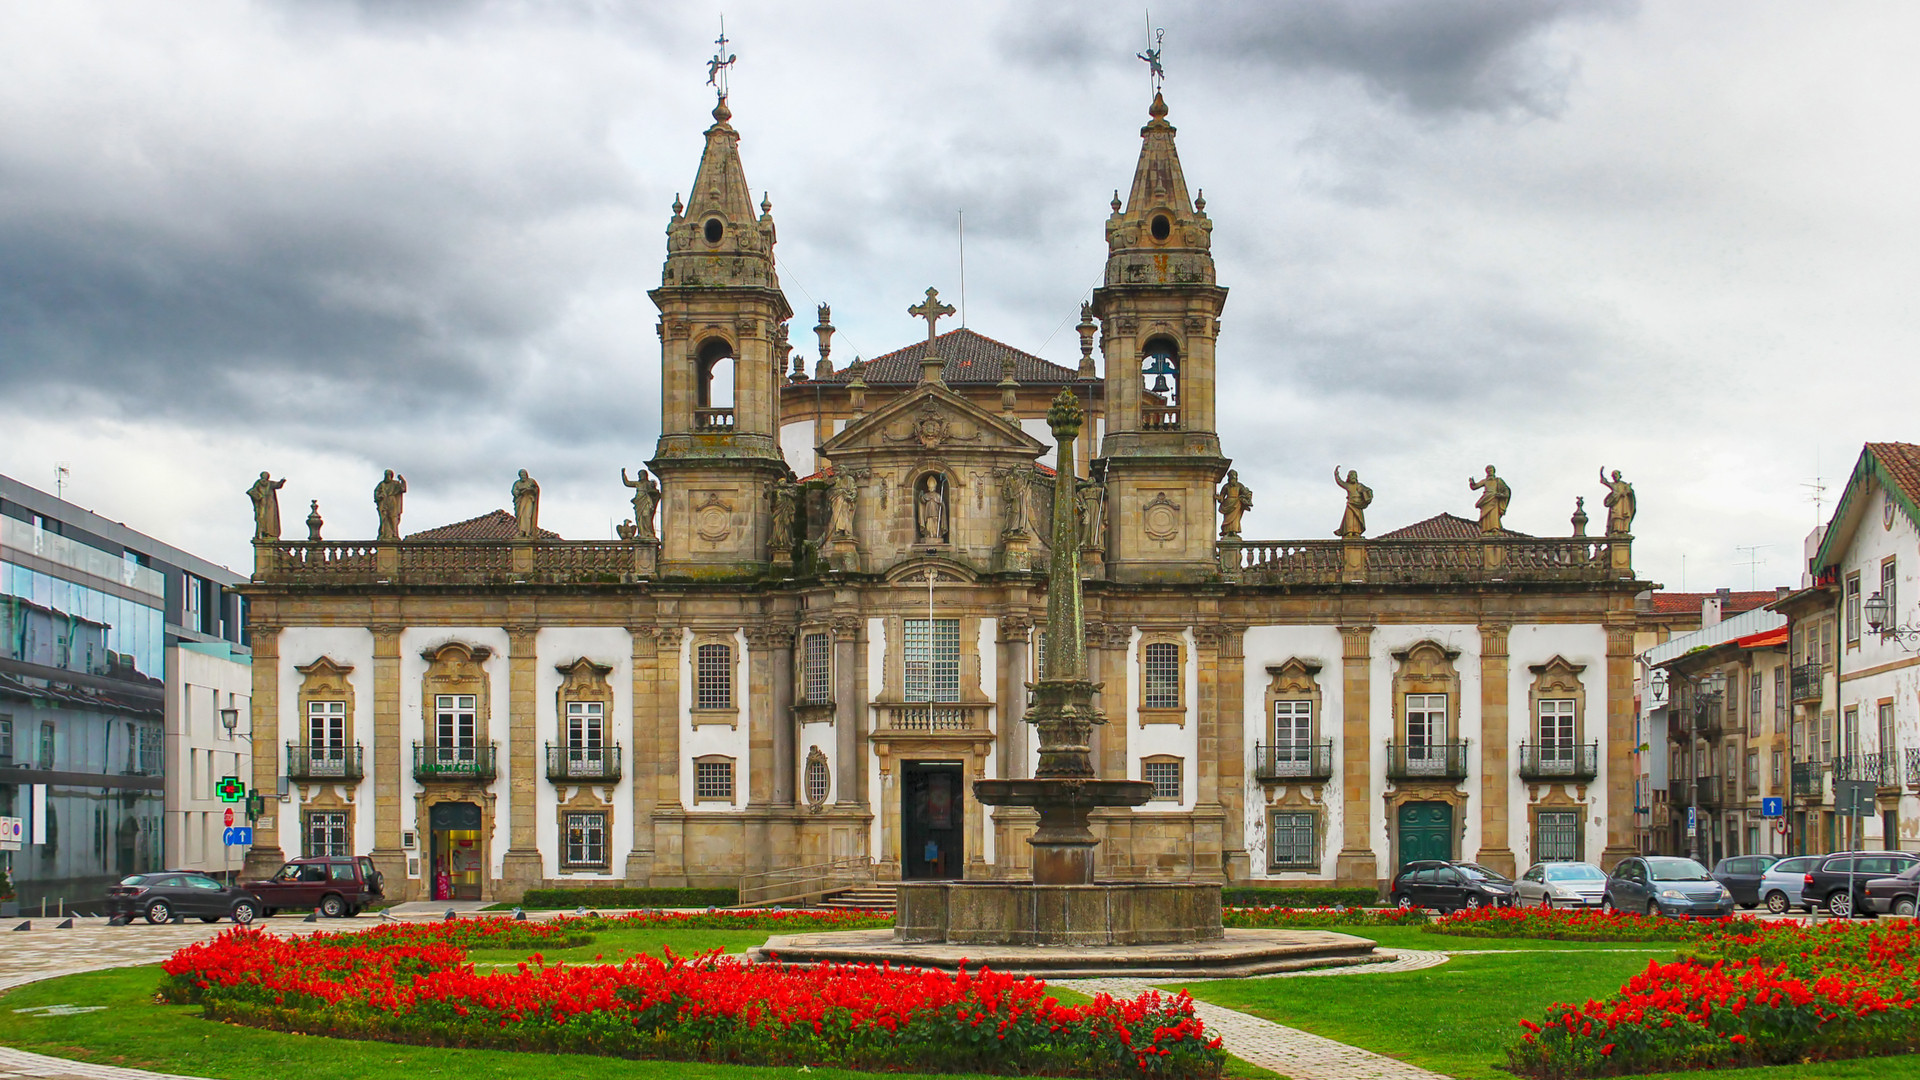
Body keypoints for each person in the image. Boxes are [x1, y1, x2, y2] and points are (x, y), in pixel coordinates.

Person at [621, 467, 661, 542]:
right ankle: (642, 533)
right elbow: (627, 483)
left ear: (645, 475)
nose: (640, 476)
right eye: (639, 474)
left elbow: (655, 492)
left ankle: (648, 533)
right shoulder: (638, 483)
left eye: (641, 474)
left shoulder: (649, 483)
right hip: (639, 501)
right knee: (639, 518)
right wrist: (623, 474)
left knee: (646, 516)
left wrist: (653, 489)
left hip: (646, 500)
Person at [1468, 465, 1511, 533]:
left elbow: (1505, 489)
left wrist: (1502, 495)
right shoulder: (1485, 481)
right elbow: (1475, 486)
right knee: (1485, 514)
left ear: (1494, 471)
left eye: (1491, 470)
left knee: (1493, 513)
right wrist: (1472, 483)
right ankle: (1485, 529)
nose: (1490, 471)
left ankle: (1494, 528)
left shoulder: (1498, 480)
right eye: (1488, 470)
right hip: (1486, 498)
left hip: (1494, 497)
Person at [1333, 466, 1372, 539]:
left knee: (1357, 519)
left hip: (1358, 504)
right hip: (1351, 504)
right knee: (1349, 519)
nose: (1353, 477)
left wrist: (1368, 495)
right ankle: (1349, 532)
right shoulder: (1348, 485)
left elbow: (1367, 490)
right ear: (1349, 477)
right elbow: (1340, 482)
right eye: (1352, 476)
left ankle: (1357, 532)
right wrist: (1336, 474)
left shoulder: (1359, 485)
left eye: (1354, 476)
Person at [246, 472, 286, 541]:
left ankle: (267, 533)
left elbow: (278, 485)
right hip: (266, 503)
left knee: (266, 518)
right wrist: (259, 497)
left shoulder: (268, 483)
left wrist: (281, 482)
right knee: (263, 518)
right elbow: (251, 491)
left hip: (268, 503)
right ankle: (262, 533)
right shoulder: (261, 483)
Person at [1599, 467, 1637, 535]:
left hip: (1624, 502)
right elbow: (1605, 482)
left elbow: (1630, 492)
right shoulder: (1614, 485)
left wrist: (1628, 490)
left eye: (1616, 474)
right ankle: (1615, 530)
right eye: (1614, 475)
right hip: (1616, 502)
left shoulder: (1624, 485)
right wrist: (1601, 474)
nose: (1615, 476)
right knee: (1616, 516)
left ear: (1619, 476)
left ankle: (1624, 530)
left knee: (1625, 516)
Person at [1216, 470, 1253, 537]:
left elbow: (1245, 493)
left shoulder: (1239, 485)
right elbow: (1222, 496)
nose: (1233, 480)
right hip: (1228, 503)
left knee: (1235, 519)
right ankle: (1226, 531)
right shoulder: (1226, 486)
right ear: (1229, 479)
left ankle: (1234, 531)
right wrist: (1219, 498)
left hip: (1237, 503)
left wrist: (1248, 495)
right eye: (1231, 478)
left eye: (1234, 478)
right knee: (1227, 518)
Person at [373, 470, 407, 540]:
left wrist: (402, 480)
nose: (387, 476)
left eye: (388, 475)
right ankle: (384, 533)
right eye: (386, 474)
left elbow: (403, 489)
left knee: (393, 518)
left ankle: (394, 534)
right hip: (384, 501)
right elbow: (376, 492)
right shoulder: (381, 484)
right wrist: (379, 496)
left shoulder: (395, 484)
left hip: (392, 502)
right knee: (384, 518)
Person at [917, 475, 947, 543]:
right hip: (928, 513)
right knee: (928, 523)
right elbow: (922, 501)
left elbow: (942, 504)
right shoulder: (926, 495)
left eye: (932, 487)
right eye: (930, 487)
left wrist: (941, 504)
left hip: (936, 512)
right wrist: (921, 496)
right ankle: (928, 535)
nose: (931, 489)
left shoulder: (938, 495)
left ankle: (936, 534)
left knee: (936, 523)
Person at [511, 470, 540, 538]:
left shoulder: (531, 481)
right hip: (520, 501)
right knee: (520, 516)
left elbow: (536, 489)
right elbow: (514, 491)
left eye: (524, 474)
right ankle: (521, 531)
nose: (523, 476)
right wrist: (518, 492)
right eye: (521, 475)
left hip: (528, 500)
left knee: (527, 515)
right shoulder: (517, 483)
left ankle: (528, 532)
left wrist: (530, 490)